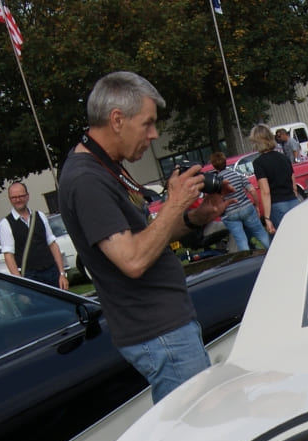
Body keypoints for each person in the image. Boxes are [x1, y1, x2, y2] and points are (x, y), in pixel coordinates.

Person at [57, 71, 226, 403]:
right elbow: (132, 260)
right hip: (160, 332)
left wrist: (195, 216)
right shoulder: (86, 180)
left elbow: (147, 238)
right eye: (147, 123)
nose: (154, 133)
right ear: (117, 119)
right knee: (199, 432)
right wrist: (176, 201)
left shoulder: (106, 167)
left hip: (166, 326)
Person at [0, 182, 71, 289]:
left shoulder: (40, 215)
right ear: (10, 199)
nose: (18, 200)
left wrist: (62, 274)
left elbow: (52, 244)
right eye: (14, 197)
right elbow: (9, 256)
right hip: (29, 276)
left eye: (21, 196)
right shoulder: (5, 224)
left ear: (27, 196)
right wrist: (21, 285)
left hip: (52, 272)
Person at [209, 151, 272, 251]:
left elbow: (215, 201)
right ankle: (273, 252)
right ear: (225, 161)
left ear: (214, 166)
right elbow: (252, 190)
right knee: (260, 233)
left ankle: (247, 262)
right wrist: (256, 205)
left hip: (230, 213)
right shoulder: (236, 174)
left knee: (241, 240)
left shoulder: (217, 182)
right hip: (246, 207)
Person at [249, 123, 300, 230]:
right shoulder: (283, 157)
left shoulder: (259, 163)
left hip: (277, 204)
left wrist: (267, 217)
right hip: (293, 201)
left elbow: (265, 191)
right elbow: (293, 183)